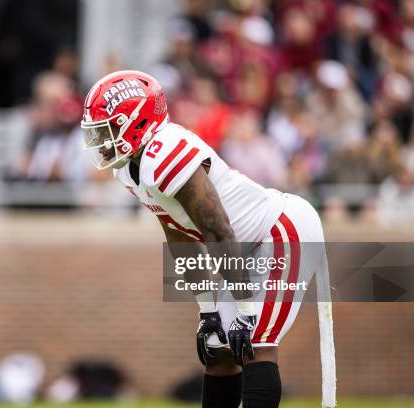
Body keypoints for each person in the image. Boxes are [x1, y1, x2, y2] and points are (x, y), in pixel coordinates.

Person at [80, 70, 333, 408]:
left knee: (256, 341)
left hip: (280, 231)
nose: (102, 139)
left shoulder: (165, 152)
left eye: (109, 127)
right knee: (219, 351)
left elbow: (218, 231)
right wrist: (207, 311)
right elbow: (177, 235)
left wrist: (243, 309)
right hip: (240, 249)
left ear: (136, 122)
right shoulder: (130, 167)